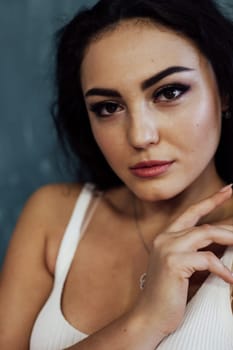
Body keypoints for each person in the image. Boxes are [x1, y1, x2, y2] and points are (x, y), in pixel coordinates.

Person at [1, 0, 233, 349]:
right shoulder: (54, 217)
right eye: (108, 108)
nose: (140, 136)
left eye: (169, 92)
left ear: (225, 92)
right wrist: (146, 320)